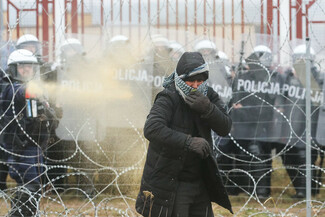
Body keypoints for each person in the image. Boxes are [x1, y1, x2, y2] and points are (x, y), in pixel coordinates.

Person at [135, 52, 233, 217]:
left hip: (200, 180)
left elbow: (225, 127)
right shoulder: (169, 97)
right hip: (173, 181)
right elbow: (152, 128)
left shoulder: (208, 95)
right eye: (191, 81)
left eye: (200, 81)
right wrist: (188, 142)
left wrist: (208, 109)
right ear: (180, 79)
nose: (195, 86)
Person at [1, 49, 55, 216]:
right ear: (13, 69)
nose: (26, 70)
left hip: (33, 144)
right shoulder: (10, 87)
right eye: (22, 66)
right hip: (21, 147)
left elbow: (41, 114)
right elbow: (18, 93)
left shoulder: (31, 89)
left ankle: (21, 213)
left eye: (30, 67)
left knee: (29, 185)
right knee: (30, 185)